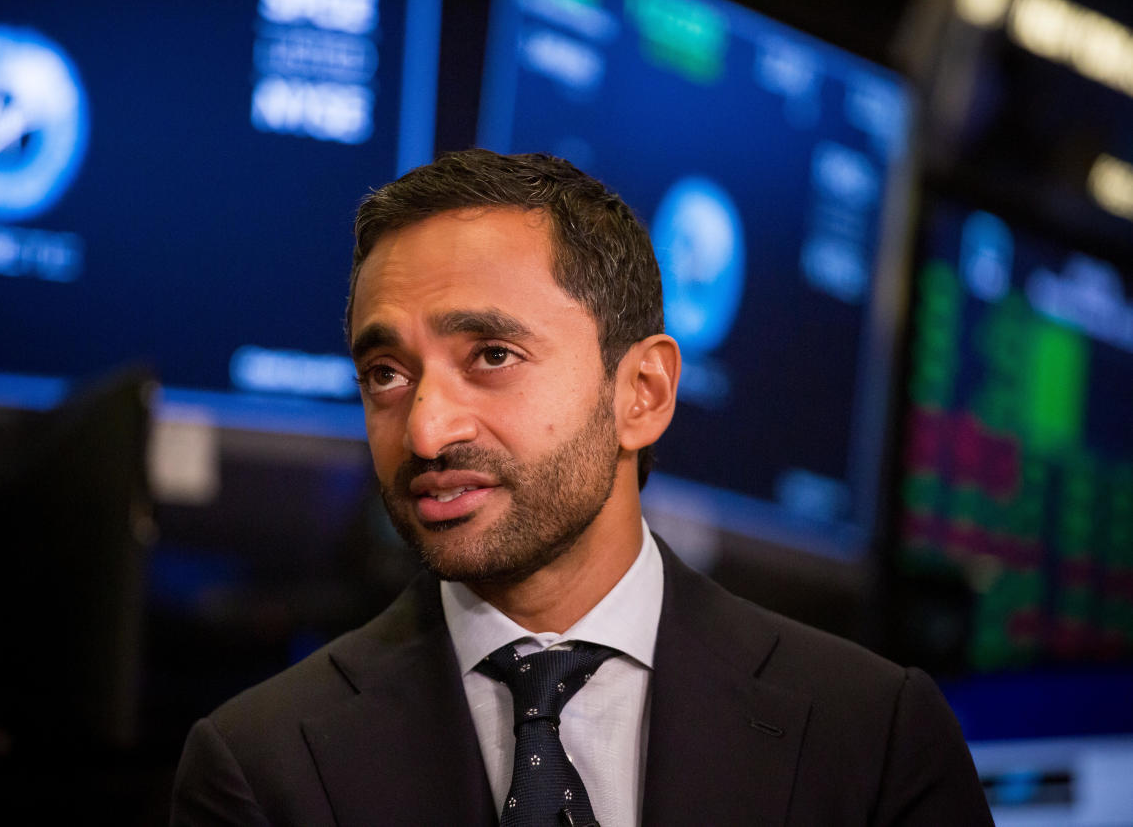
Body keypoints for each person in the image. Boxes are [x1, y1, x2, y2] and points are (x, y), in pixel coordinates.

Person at [170, 149, 993, 826]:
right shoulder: (258, 767)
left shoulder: (873, 734)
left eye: (491, 355)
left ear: (643, 394)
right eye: (386, 373)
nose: (424, 431)